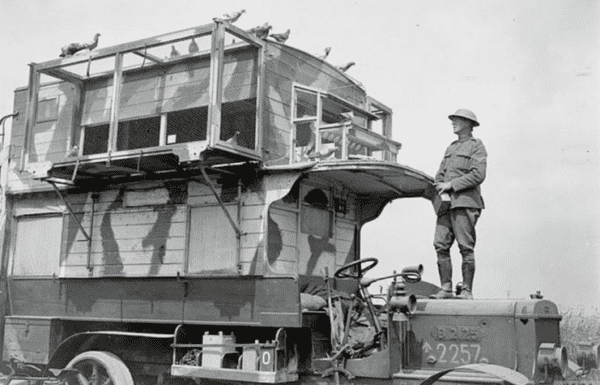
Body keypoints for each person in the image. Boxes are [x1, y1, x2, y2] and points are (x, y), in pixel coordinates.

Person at [431, 109, 487, 300]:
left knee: (465, 247)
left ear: (468, 124)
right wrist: (438, 183)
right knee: (440, 244)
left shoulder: (476, 146)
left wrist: (451, 185)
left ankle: (467, 290)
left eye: (457, 120)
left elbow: (478, 175)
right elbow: (440, 173)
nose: (453, 122)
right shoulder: (451, 148)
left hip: (465, 203)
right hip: (446, 205)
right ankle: (445, 288)